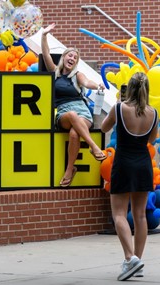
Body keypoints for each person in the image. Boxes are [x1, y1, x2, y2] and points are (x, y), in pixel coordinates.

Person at [101, 72, 158, 281]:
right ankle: (138, 261)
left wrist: (118, 107)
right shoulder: (154, 112)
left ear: (130, 88)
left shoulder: (119, 108)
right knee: (141, 215)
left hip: (123, 163)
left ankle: (130, 258)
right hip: (143, 164)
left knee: (118, 214)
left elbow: (105, 127)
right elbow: (151, 139)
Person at [41, 23, 107, 187]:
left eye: (75, 58)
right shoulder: (55, 72)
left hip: (83, 113)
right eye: (70, 55)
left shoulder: (77, 75)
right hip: (64, 112)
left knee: (73, 134)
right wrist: (44, 35)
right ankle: (94, 146)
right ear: (63, 58)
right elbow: (46, 53)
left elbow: (87, 82)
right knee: (71, 116)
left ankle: (70, 169)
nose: (72, 59)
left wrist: (97, 85)